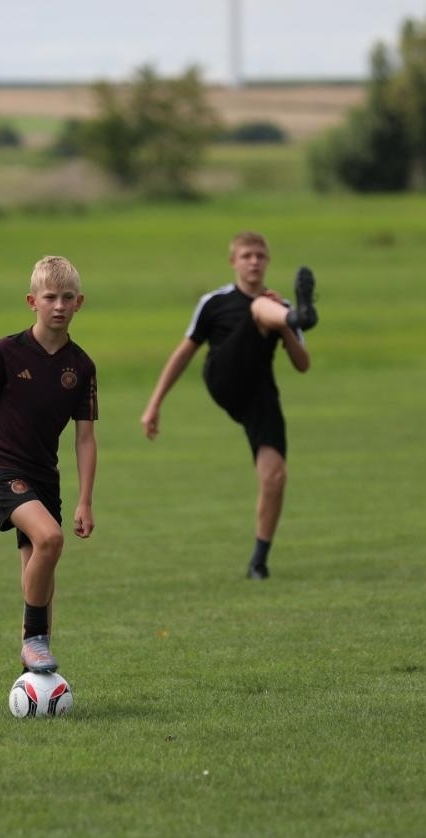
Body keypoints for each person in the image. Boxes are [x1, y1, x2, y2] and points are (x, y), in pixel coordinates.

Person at [140, 231, 317, 579]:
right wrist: (154, 403)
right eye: (247, 255)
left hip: (257, 391)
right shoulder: (215, 302)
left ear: (268, 261)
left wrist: (285, 328)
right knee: (259, 308)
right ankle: (300, 319)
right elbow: (184, 352)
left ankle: (258, 562)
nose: (254, 261)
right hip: (223, 375)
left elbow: (303, 364)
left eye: (260, 256)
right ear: (233, 261)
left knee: (275, 476)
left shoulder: (278, 307)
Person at [0, 255, 98, 674]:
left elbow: (85, 438)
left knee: (40, 575)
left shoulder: (82, 366)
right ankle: (35, 640)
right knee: (51, 540)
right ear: (31, 301)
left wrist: (85, 501)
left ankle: (34, 676)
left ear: (79, 303)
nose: (58, 305)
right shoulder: (6, 352)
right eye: (50, 297)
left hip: (43, 475)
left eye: (67, 297)